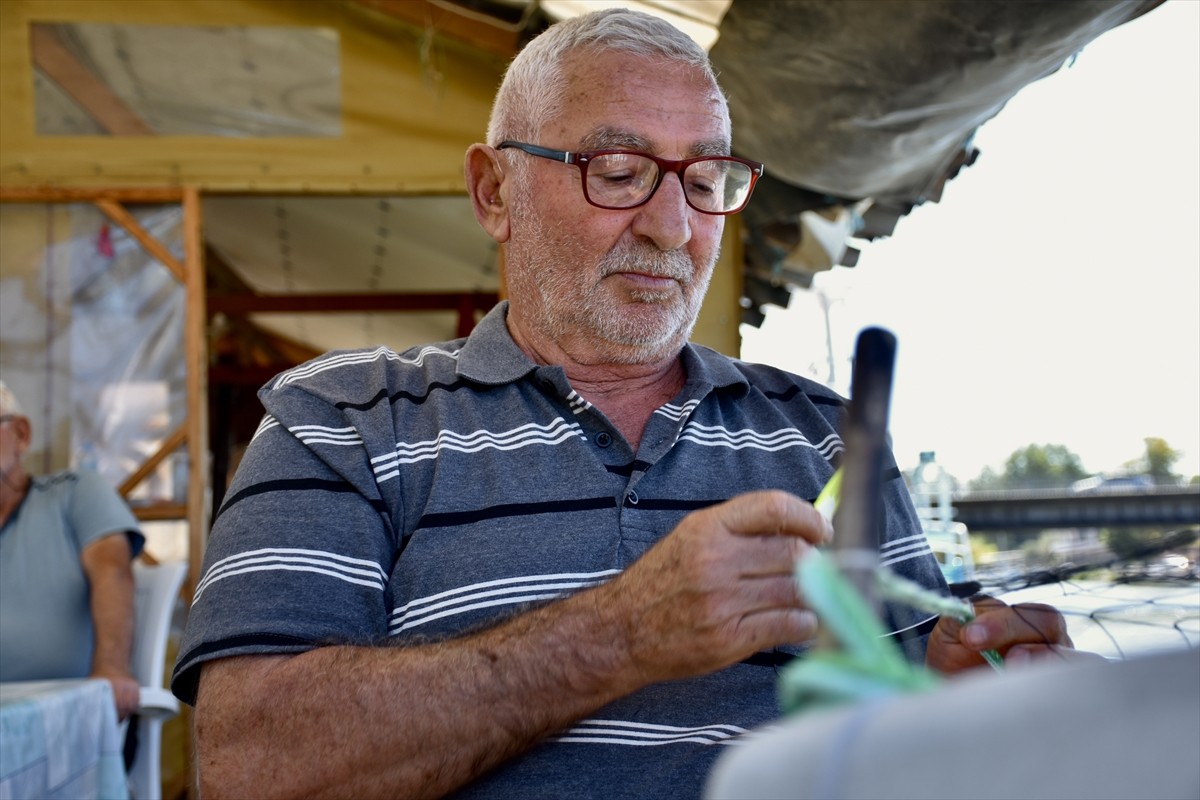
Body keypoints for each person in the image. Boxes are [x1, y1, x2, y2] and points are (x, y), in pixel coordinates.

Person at [172, 9, 1080, 798]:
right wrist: (622, 635)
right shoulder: (342, 418)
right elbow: (248, 768)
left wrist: (966, 700)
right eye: (616, 170)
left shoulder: (825, 435)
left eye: (705, 180)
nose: (673, 227)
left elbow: (904, 740)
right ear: (494, 191)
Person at [0, 380, 144, 721]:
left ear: (20, 434)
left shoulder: (76, 492)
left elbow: (113, 572)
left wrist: (111, 668)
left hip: (64, 715)